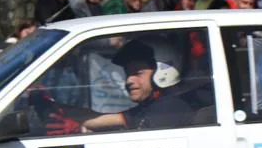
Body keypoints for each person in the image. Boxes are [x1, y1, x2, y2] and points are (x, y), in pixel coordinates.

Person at [46, 39, 209, 134]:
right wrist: (58, 108)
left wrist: (80, 129)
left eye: (137, 72)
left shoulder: (170, 108)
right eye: (127, 73)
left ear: (162, 72)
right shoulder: (152, 106)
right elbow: (104, 119)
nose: (129, 80)